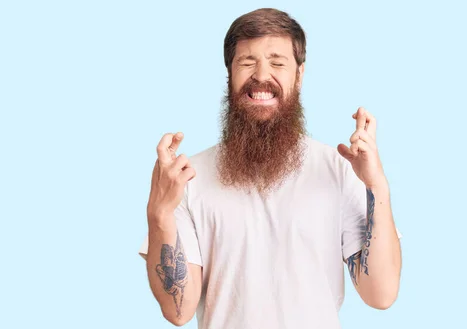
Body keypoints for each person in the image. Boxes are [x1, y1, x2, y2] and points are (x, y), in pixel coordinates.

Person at [138, 8, 402, 329]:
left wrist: (376, 185)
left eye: (277, 62)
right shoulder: (186, 178)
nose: (262, 75)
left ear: (299, 75)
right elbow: (178, 311)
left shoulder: (340, 169)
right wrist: (159, 214)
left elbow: (382, 294)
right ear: (229, 75)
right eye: (247, 62)